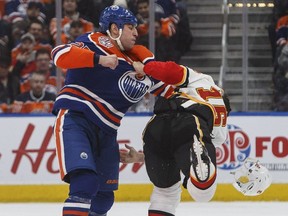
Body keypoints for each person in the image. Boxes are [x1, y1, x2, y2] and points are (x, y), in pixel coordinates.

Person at [51, 5, 175, 216]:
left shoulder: (139, 62)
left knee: (104, 198)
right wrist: (99, 59)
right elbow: (59, 54)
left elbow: (172, 92)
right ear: (114, 28)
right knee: (85, 183)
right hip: (76, 119)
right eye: (130, 27)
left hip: (107, 131)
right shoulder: (96, 41)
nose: (136, 32)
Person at [121, 60, 231, 216]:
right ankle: (198, 175)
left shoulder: (201, 79)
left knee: (164, 194)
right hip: (188, 125)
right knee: (204, 193)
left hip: (155, 129)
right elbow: (184, 149)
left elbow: (171, 70)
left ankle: (196, 167)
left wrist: (146, 68)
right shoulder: (221, 123)